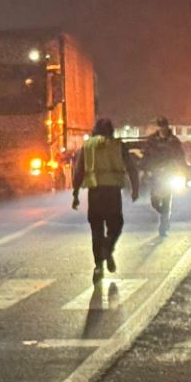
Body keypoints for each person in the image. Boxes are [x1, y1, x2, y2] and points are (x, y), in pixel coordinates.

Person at [72, 118, 139, 283]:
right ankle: (108, 249)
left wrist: (75, 194)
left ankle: (98, 267)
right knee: (116, 225)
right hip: (113, 193)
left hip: (95, 193)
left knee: (96, 230)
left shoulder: (87, 146)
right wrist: (135, 189)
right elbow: (131, 167)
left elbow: (78, 171)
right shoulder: (118, 145)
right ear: (111, 130)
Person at [141, 116, 187, 237]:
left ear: (167, 126)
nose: (162, 128)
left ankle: (164, 225)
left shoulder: (174, 141)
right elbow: (146, 156)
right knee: (155, 201)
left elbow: (181, 157)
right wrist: (145, 169)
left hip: (169, 173)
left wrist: (184, 170)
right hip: (155, 174)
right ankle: (163, 213)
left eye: (163, 126)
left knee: (167, 200)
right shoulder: (151, 141)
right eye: (160, 126)